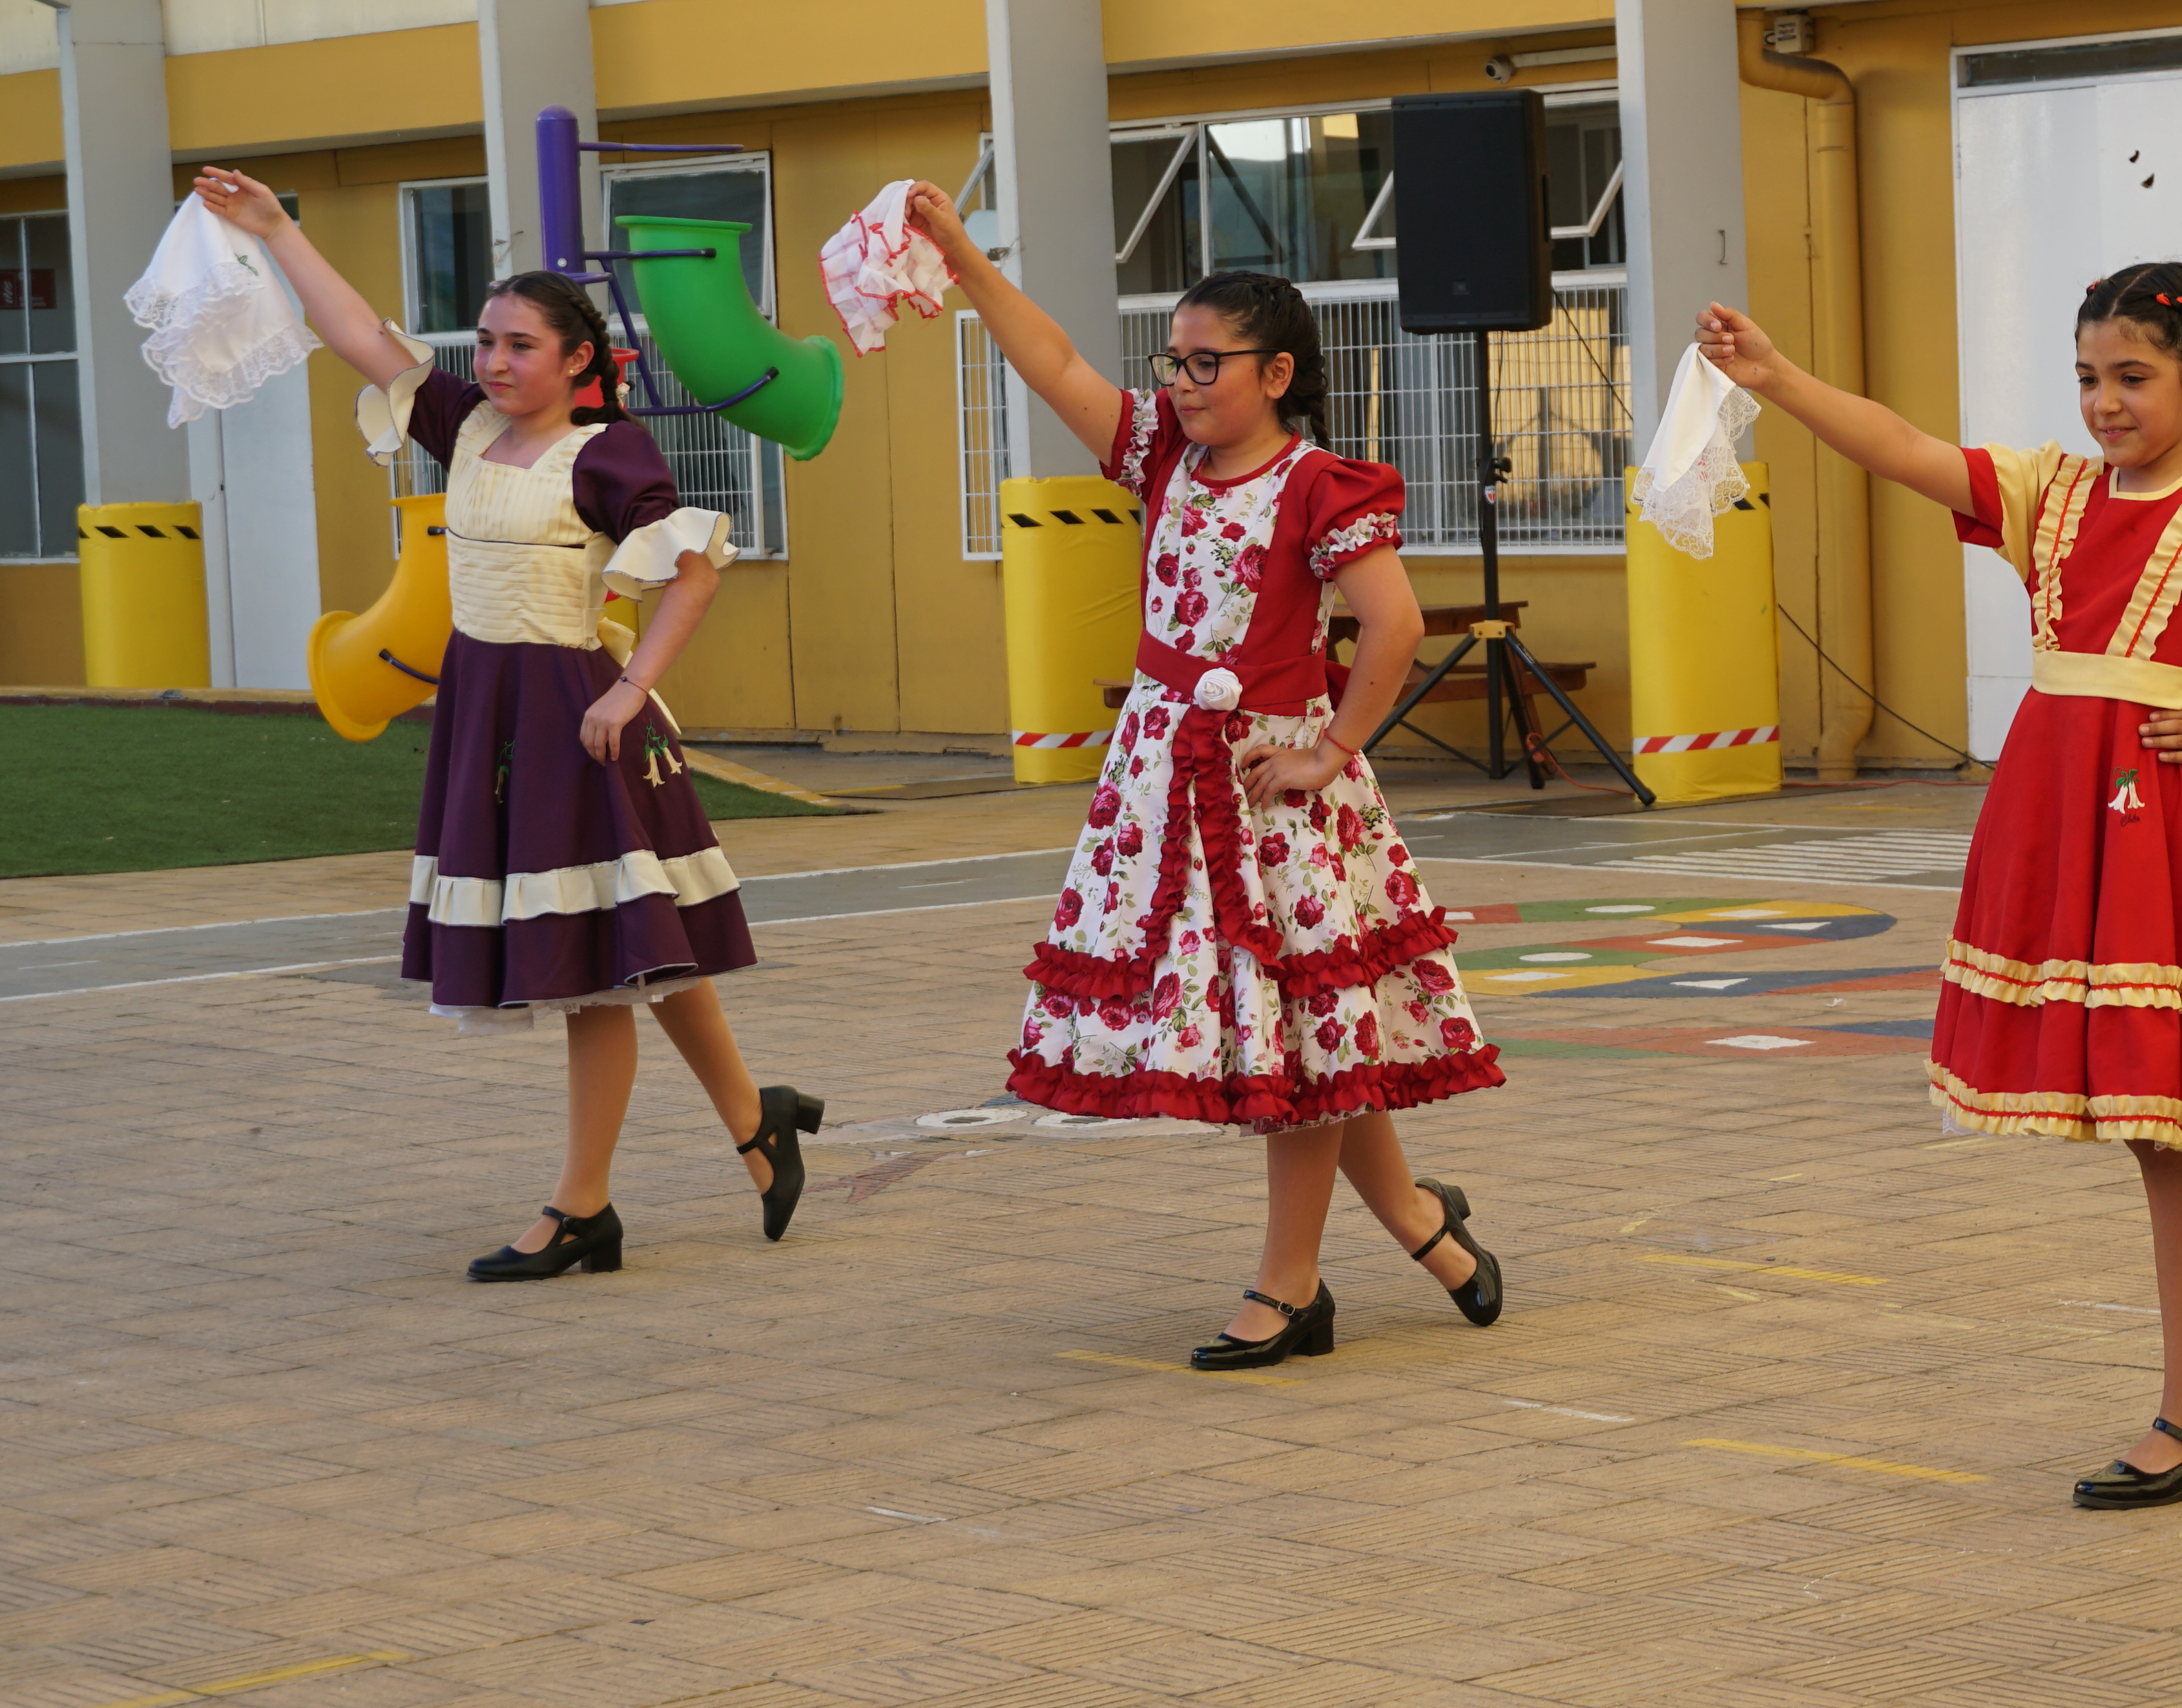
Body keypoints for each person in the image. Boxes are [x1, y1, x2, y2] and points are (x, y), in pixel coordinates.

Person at [1696, 262, 2182, 1508]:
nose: (2103, 402)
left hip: (2166, 826)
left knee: (2163, 1113)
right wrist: (1778, 382)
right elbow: (1910, 450)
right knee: (2164, 1108)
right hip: (2057, 809)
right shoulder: (2055, 493)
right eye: (2089, 377)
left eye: (2132, 377)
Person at [903, 182, 1506, 1369]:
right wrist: (963, 258)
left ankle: (1289, 1283)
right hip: (1163, 780)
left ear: (1277, 374)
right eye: (1172, 361)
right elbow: (1057, 361)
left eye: (1204, 363)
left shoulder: (1323, 485)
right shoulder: (1160, 459)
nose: (1179, 384)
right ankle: (1424, 1227)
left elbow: (1392, 626)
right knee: (1308, 1035)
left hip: (1274, 789)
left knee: (1300, 1030)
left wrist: (1329, 749)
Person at [195, 167, 818, 1282]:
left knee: (595, 967)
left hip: (580, 724)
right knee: (635, 948)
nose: (492, 361)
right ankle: (755, 1121)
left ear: (580, 360)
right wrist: (278, 231)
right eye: (484, 341)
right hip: (491, 721)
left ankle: (583, 1208)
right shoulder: (467, 426)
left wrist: (629, 693)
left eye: (519, 344)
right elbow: (357, 337)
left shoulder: (612, 453)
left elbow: (690, 574)